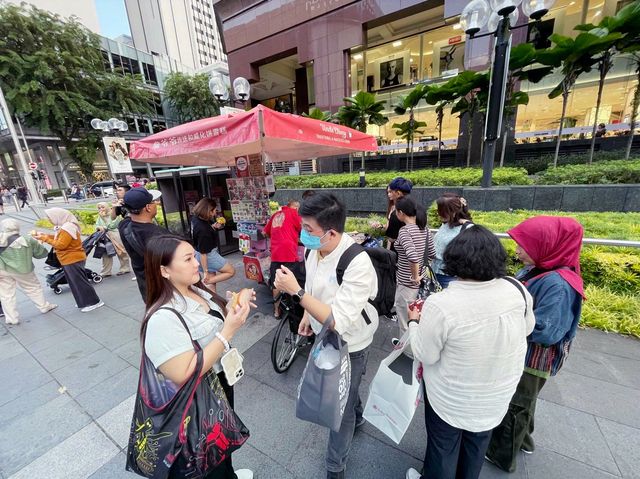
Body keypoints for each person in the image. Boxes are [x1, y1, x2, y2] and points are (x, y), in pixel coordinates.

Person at [405, 225, 535, 479]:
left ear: (455, 260)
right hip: (496, 396)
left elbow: (426, 353)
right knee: (476, 445)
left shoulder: (442, 304)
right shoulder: (517, 289)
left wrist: (413, 323)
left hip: (450, 399)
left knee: (443, 448)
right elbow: (527, 328)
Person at [274, 192, 378, 479]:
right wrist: (307, 315)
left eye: (308, 230)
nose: (302, 234)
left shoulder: (357, 262)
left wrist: (295, 292)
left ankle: (335, 468)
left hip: (352, 340)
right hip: (324, 332)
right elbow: (315, 288)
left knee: (340, 408)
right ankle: (356, 410)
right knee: (350, 388)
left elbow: (338, 321)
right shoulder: (313, 250)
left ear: (331, 232)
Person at [142, 235, 254, 479]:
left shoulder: (195, 290)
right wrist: (228, 331)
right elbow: (183, 373)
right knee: (206, 454)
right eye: (188, 258)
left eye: (194, 255)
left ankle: (229, 473)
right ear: (164, 270)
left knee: (223, 439)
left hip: (218, 382)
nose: (197, 263)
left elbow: (218, 319)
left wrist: (240, 299)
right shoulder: (162, 318)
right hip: (195, 399)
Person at [485, 216, 585, 473]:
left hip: (533, 359)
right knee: (524, 401)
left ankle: (501, 456)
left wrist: (505, 318)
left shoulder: (558, 284)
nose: (516, 249)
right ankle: (524, 441)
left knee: (517, 405)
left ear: (546, 245)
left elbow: (546, 331)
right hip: (524, 352)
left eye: (523, 245)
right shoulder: (539, 269)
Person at [33, 208, 104, 312]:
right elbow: (60, 239)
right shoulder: (65, 227)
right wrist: (45, 236)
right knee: (75, 282)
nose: (48, 219)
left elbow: (61, 245)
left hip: (72, 258)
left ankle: (93, 302)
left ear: (58, 216)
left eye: (50, 217)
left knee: (79, 282)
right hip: (69, 258)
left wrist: (45, 239)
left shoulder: (67, 228)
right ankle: (84, 301)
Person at [393, 196, 435, 346]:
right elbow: (431, 254)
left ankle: (405, 352)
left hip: (407, 283)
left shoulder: (405, 231)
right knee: (416, 316)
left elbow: (412, 256)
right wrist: (421, 273)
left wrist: (414, 275)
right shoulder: (425, 229)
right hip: (420, 283)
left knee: (405, 321)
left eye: (395, 211)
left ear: (401, 212)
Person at [0, 218, 57, 325]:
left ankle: (12, 318)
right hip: (23, 270)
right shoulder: (27, 239)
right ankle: (43, 306)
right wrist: (39, 243)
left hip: (2, 271)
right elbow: (41, 254)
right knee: (33, 288)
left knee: (6, 294)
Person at [118, 187, 165, 301]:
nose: (157, 204)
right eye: (154, 202)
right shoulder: (158, 234)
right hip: (163, 286)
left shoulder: (124, 225)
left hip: (145, 283)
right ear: (148, 207)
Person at [263, 199, 303, 318]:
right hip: (289, 252)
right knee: (292, 281)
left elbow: (265, 232)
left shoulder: (276, 214)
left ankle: (276, 311)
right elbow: (304, 230)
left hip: (276, 252)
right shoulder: (293, 213)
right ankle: (293, 310)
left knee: (276, 283)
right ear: (295, 207)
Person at [191, 198, 236, 294]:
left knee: (212, 286)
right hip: (208, 255)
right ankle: (205, 282)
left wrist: (213, 227)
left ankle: (213, 302)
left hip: (199, 252)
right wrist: (205, 272)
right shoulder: (203, 230)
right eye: (214, 210)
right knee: (231, 271)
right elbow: (204, 254)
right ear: (208, 211)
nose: (215, 213)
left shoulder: (196, 218)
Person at [432, 193, 473, 288]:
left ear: (452, 211)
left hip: (451, 276)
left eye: (441, 211)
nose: (438, 213)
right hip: (436, 272)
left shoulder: (468, 228)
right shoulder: (446, 223)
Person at [95, 202, 131, 277]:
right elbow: (97, 225)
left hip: (115, 234)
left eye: (102, 207)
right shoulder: (100, 216)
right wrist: (99, 227)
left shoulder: (114, 214)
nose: (101, 209)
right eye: (99, 208)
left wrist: (104, 220)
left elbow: (112, 225)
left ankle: (125, 268)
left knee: (121, 252)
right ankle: (106, 272)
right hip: (104, 236)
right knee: (105, 253)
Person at [384, 177, 413, 251]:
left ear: (398, 193)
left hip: (399, 255)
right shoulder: (419, 209)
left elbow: (391, 239)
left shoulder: (396, 213)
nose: (389, 194)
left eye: (391, 191)